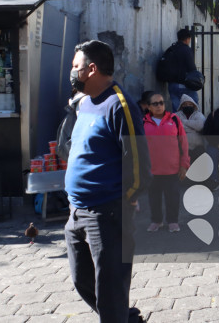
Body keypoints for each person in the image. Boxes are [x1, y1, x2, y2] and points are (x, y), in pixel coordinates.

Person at [64, 40, 152, 323]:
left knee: (110, 290)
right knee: (83, 282)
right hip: (76, 212)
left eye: (75, 66)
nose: (71, 71)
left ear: (92, 69)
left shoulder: (120, 105)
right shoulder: (86, 103)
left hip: (107, 212)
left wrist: (127, 199)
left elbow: (138, 162)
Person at [142, 92, 189, 233]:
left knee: (172, 198)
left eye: (161, 103)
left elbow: (183, 143)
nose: (159, 106)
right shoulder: (143, 123)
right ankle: (156, 221)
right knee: (153, 198)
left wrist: (184, 165)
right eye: (155, 104)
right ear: (149, 107)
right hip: (152, 170)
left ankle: (173, 221)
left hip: (172, 169)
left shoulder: (174, 119)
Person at [167, 28, 199, 111]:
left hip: (172, 84)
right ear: (188, 39)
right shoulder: (186, 50)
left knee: (177, 110)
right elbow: (192, 68)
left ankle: (178, 124)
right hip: (185, 84)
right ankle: (192, 124)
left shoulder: (171, 49)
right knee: (194, 108)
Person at [176, 94, 207, 164]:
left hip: (197, 147)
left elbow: (200, 126)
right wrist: (193, 128)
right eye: (185, 104)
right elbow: (175, 127)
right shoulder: (176, 115)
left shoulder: (199, 115)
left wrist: (184, 122)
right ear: (181, 105)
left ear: (193, 105)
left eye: (190, 104)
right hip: (181, 147)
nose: (188, 106)